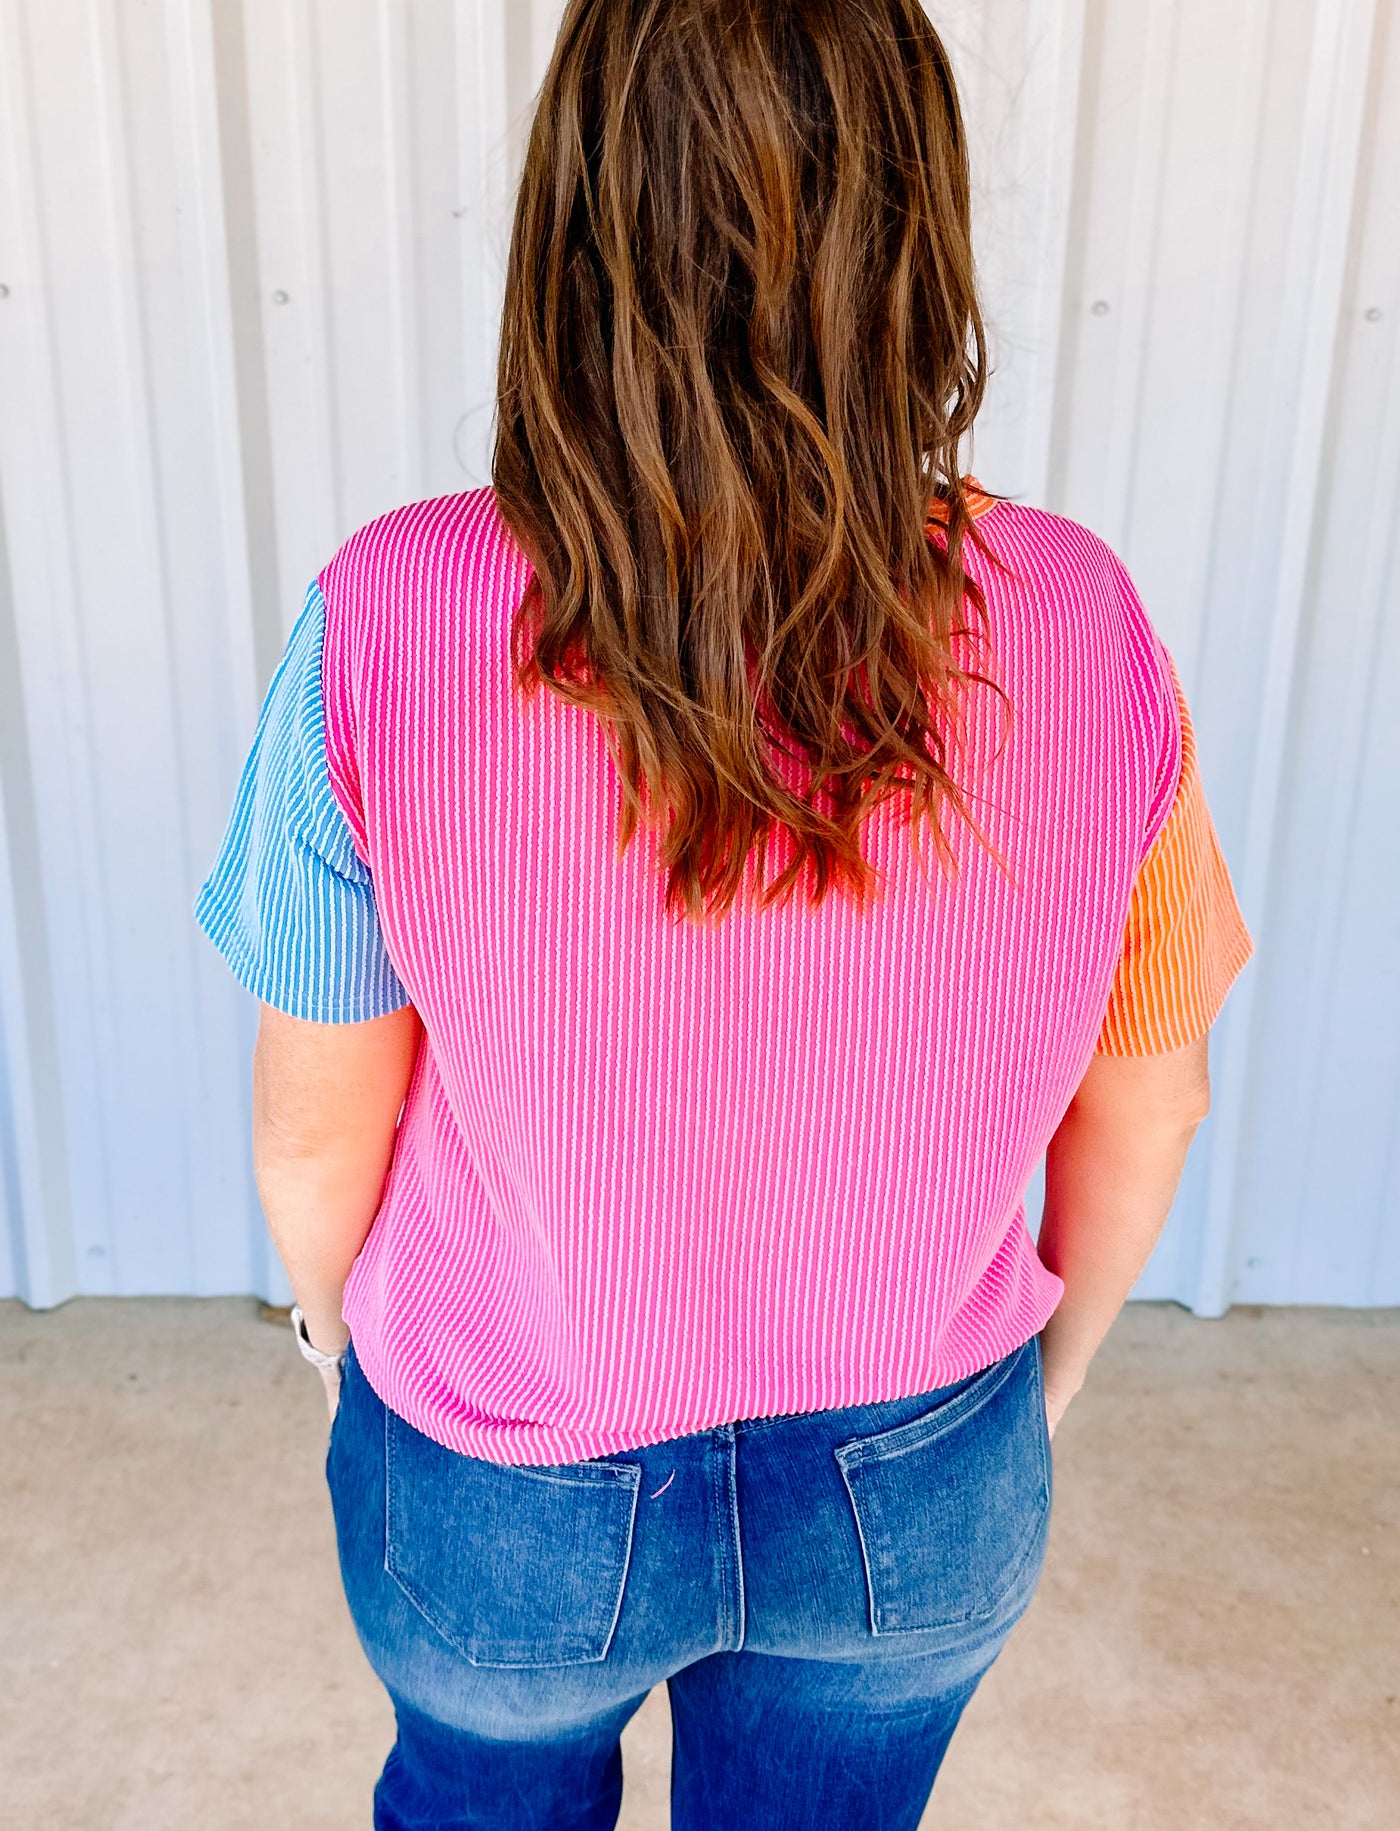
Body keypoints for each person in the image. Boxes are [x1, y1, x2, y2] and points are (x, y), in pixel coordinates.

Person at [195, 2, 1252, 1825]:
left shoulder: (390, 613)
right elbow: (1147, 1100)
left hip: (507, 1465)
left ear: (575, 231)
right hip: (919, 1465)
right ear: (914, 237)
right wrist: (1037, 1392)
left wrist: (344, 1360)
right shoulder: (1084, 622)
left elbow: (313, 1140)